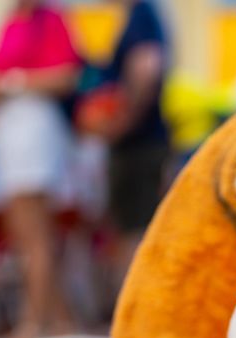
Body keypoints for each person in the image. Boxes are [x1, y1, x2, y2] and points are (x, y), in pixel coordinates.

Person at [0, 0, 81, 338]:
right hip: (11, 135)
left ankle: (32, 322)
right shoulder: (14, 21)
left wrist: (10, 84)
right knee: (25, 233)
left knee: (34, 233)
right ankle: (61, 320)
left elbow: (66, 76)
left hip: (32, 134)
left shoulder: (50, 19)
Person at [91, 0, 170, 297]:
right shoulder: (143, 14)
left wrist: (123, 121)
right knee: (135, 228)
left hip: (139, 144)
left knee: (134, 231)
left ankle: (137, 307)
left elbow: (146, 67)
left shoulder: (141, 14)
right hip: (142, 141)